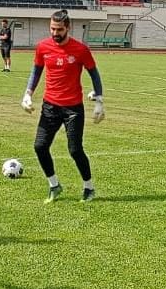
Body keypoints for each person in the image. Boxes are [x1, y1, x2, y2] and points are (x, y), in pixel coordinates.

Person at [21, 10, 104, 202]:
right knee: (40, 147)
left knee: (75, 150)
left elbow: (94, 74)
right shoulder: (43, 47)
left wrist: (99, 101)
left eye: (59, 29)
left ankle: (89, 187)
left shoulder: (81, 50)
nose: (54, 33)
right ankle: (54, 185)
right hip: (50, 106)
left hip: (73, 109)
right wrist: (27, 93)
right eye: (52, 28)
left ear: (68, 28)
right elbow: (36, 71)